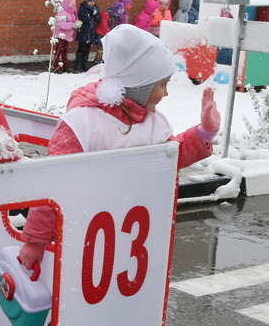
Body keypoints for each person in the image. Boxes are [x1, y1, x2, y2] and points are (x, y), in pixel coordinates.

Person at [16, 24, 221, 269]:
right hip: (81, 235)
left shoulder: (153, 124)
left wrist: (203, 133)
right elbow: (54, 183)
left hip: (128, 237)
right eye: (162, 85)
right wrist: (36, 241)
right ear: (139, 85)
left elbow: (167, 160)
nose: (166, 93)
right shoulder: (84, 123)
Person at [74, 0, 101, 72]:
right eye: (90, 1)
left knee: (87, 50)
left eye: (93, 1)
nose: (91, 3)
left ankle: (84, 65)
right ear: (86, 1)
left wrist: (95, 15)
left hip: (91, 33)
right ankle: (78, 66)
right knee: (81, 49)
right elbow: (84, 19)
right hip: (83, 32)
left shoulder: (95, 8)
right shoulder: (83, 8)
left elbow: (98, 20)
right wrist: (91, 15)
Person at [51, 0, 77, 73]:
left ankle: (65, 66)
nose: (73, 5)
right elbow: (62, 24)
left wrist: (76, 23)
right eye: (72, 3)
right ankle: (56, 67)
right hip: (60, 35)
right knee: (59, 51)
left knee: (64, 51)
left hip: (67, 35)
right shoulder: (62, 13)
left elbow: (74, 20)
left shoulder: (71, 12)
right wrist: (73, 24)